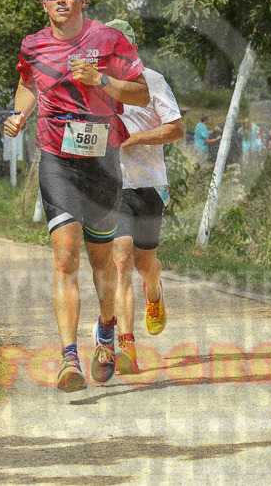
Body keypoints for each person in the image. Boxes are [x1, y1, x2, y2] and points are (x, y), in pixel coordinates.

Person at [3, 0, 149, 393]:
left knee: (101, 260)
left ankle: (106, 331)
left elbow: (140, 93)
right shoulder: (33, 45)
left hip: (101, 161)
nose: (61, 0)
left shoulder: (110, 40)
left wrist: (102, 80)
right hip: (56, 158)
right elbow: (28, 82)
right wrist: (18, 114)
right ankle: (69, 358)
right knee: (65, 256)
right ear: (44, 3)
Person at [104, 19, 183, 375]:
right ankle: (127, 347)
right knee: (120, 261)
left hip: (149, 185)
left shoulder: (152, 80)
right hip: (111, 186)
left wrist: (134, 139)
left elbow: (176, 130)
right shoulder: (95, 86)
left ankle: (155, 289)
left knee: (144, 264)